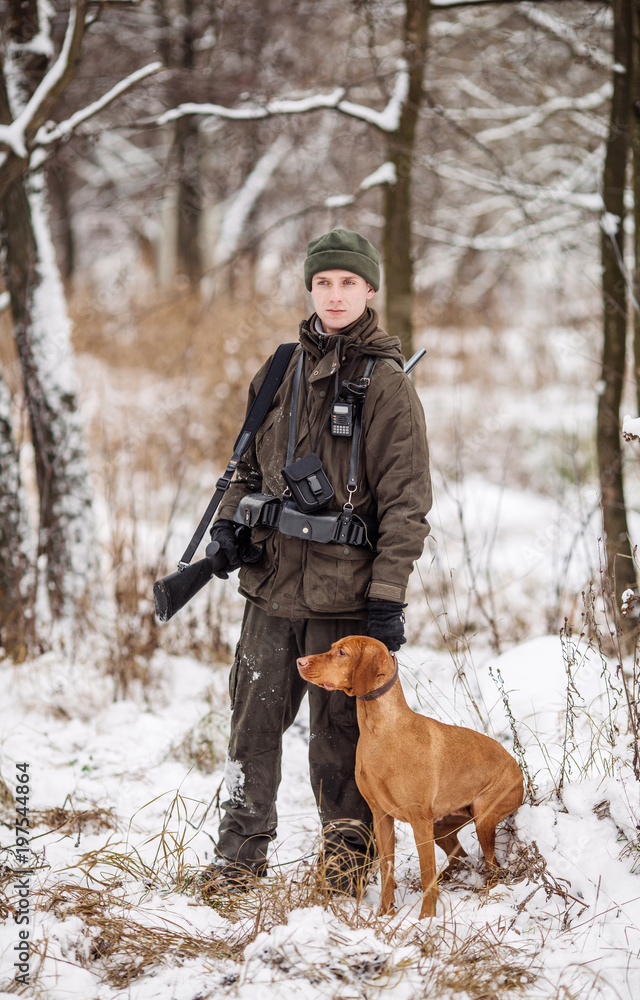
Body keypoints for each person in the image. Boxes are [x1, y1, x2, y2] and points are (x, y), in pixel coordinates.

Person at [200, 228, 431, 896]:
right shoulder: (277, 369)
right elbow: (242, 468)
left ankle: (345, 866)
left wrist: (387, 599)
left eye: (347, 283)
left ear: (369, 291)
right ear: (310, 288)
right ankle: (237, 862)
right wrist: (229, 531)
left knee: (338, 742)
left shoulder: (386, 386)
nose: (334, 295)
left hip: (344, 602)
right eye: (323, 282)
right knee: (252, 728)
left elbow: (407, 504)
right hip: (268, 592)